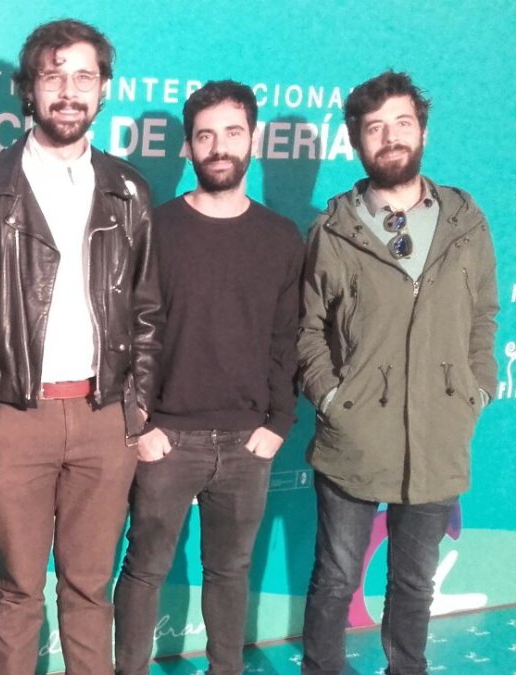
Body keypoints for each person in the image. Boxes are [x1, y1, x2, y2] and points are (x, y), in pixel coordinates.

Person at [0, 19, 159, 675]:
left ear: (102, 89)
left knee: (89, 587)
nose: (69, 91)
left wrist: (137, 406)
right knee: (16, 588)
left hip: (104, 419)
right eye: (54, 75)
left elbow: (147, 312)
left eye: (83, 76)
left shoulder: (128, 190)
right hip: (16, 417)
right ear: (28, 89)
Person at [298, 70, 498, 675]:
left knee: (413, 580)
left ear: (423, 132)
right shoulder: (332, 230)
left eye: (402, 123)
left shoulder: (467, 222)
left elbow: (484, 315)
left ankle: (405, 668)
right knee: (336, 576)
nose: (390, 137)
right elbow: (308, 329)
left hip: (439, 430)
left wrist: (476, 388)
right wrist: (332, 398)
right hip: (355, 436)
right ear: (357, 142)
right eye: (375, 127)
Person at [111, 80, 304, 675]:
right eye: (205, 136)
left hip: (249, 443)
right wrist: (137, 423)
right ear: (188, 150)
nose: (219, 147)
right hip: (166, 439)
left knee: (231, 572)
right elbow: (120, 331)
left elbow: (285, 340)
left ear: (254, 141)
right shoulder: (154, 229)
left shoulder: (280, 237)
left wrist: (279, 421)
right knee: (143, 568)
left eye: (232, 133)